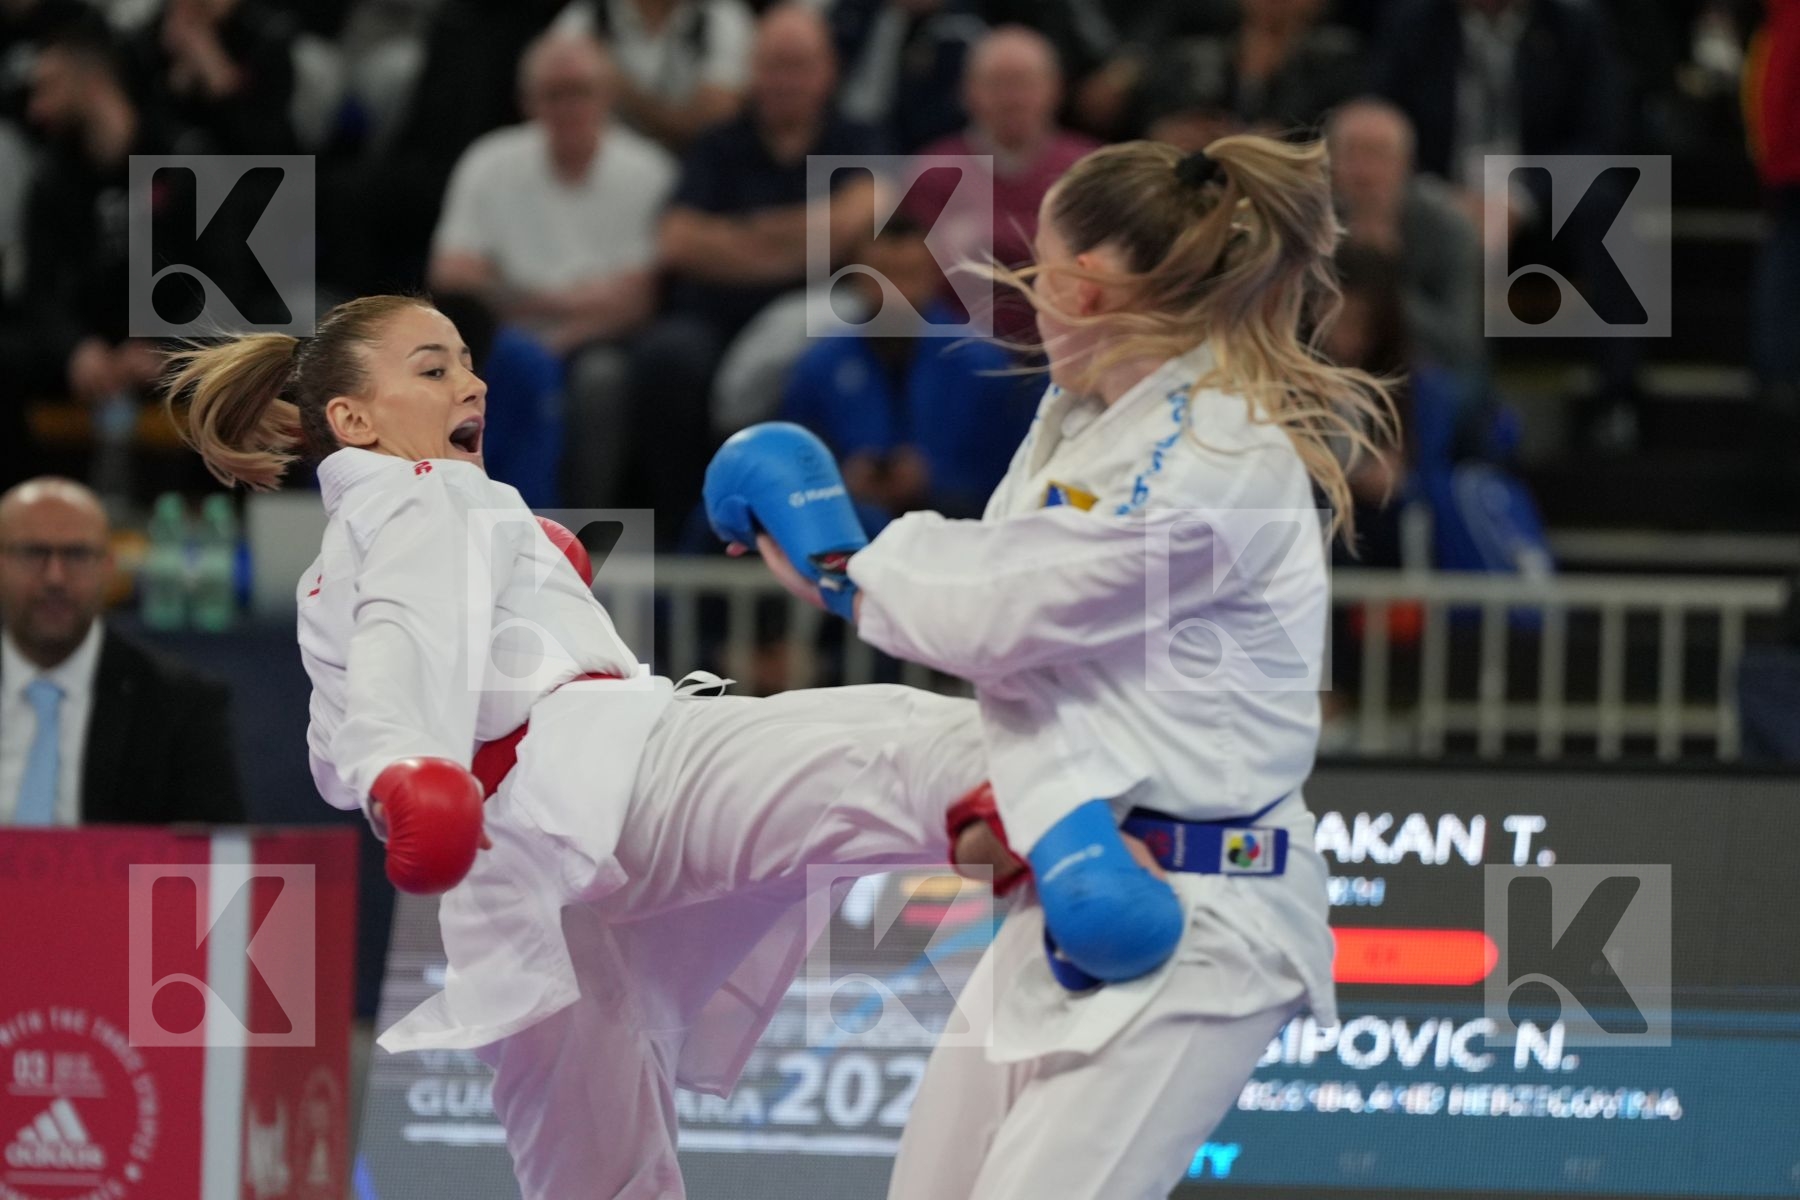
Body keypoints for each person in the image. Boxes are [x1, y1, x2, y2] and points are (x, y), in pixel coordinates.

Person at [160, 293, 988, 1200]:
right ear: (353, 420)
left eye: (467, 363)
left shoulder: (330, 575)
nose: (471, 382)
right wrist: (408, 764)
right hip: (609, 778)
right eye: (432, 369)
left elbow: (336, 748)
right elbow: (408, 635)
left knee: (601, 1184)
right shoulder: (427, 490)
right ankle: (1090, 826)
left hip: (515, 892)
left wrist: (394, 770)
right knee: (921, 744)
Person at [706, 133, 1393, 1200]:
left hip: (1206, 919)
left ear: (1083, 281)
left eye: (1037, 269)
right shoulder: (1078, 415)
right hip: (1080, 883)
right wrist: (1036, 806)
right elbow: (1015, 641)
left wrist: (840, 559)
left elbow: (1007, 614)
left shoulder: (1219, 453)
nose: (1026, 295)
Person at [632, 2, 881, 543]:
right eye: (773, 65)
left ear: (828, 71)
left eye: (799, 65)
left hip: (817, 319)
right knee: (666, 358)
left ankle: (824, 537)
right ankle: (686, 533)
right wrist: (805, 238)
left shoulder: (857, 139)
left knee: (831, 358)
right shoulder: (718, 143)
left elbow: (861, 218)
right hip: (711, 320)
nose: (785, 81)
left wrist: (739, 238)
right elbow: (676, 240)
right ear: (752, 71)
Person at [428, 28, 675, 507]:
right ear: (528, 101)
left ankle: (581, 527)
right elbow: (451, 275)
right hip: (502, 337)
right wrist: (571, 299)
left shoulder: (648, 172)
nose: (568, 107)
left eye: (580, 91)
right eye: (553, 94)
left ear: (607, 96)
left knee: (600, 379)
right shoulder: (489, 161)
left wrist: (528, 306)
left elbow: (640, 302)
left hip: (598, 343)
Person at [0, 477, 243, 826]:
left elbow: (216, 860)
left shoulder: (179, 703)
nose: (54, 577)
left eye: (77, 554)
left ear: (109, 567)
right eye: (32, 552)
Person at [780, 216, 1029, 523]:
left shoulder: (983, 365)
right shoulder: (820, 364)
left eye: (908, 275)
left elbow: (1010, 471)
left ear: (933, 275)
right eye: (881, 276)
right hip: (849, 525)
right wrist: (839, 479)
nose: (894, 292)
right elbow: (794, 464)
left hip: (959, 531)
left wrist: (935, 481)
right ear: (856, 275)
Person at [901, 24, 1098, 343]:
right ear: (967, 91)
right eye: (996, 84)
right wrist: (1038, 241)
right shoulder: (933, 172)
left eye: (1023, 83)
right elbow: (919, 274)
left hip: (1068, 336)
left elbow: (1092, 265)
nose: (1012, 98)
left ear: (1055, 88)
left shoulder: (1087, 169)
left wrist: (981, 235)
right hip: (957, 344)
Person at [1327, 97, 1485, 375]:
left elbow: (1461, 344)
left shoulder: (1447, 226)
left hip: (1423, 372)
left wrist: (1389, 280)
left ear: (1406, 165)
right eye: (1351, 154)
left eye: (1377, 155)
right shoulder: (1310, 222)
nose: (1363, 173)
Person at [550, 0, 754, 151]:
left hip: (694, 176)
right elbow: (553, 111)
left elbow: (714, 125)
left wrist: (621, 89)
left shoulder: (721, 17)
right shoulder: (586, 17)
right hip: (603, 169)